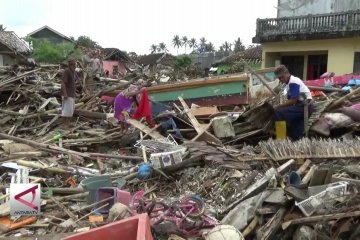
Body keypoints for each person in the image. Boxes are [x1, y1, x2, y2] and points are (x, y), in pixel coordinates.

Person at [273, 65, 314, 140]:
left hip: (305, 106)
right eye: (279, 78)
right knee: (295, 132)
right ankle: (295, 140)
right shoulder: (288, 84)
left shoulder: (293, 81)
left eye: (282, 77)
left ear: (287, 73)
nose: (281, 79)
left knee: (279, 113)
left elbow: (293, 100)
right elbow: (290, 100)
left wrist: (278, 106)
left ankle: (281, 139)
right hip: (300, 106)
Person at [61, 58, 78, 127]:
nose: (75, 66)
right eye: (74, 65)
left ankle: (67, 122)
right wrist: (65, 93)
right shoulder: (67, 71)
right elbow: (63, 83)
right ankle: (64, 124)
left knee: (70, 110)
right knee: (66, 110)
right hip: (67, 94)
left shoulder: (72, 72)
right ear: (71, 65)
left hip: (71, 94)